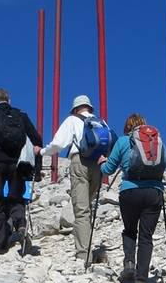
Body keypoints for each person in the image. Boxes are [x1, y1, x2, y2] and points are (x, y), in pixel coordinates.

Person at [99, 113, 166, 283]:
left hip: (129, 192)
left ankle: (129, 264)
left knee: (129, 230)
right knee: (146, 236)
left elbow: (108, 169)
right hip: (153, 193)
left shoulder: (122, 141)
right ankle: (142, 279)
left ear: (128, 128)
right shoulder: (156, 142)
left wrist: (101, 162)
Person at [43, 95, 113, 262]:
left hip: (79, 163)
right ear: (89, 108)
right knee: (87, 207)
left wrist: (42, 152)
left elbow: (58, 144)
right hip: (98, 166)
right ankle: (87, 247)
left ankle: (84, 255)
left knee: (81, 211)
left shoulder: (72, 120)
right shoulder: (101, 123)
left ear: (75, 109)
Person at [0, 89, 43, 254]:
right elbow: (37, 139)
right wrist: (38, 168)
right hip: (17, 163)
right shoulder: (21, 115)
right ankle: (20, 225)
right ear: (9, 100)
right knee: (16, 198)